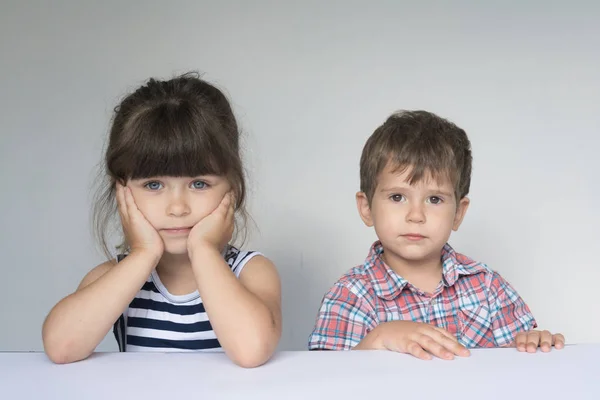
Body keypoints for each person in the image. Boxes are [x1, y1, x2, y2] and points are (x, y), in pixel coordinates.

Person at [42, 73, 282, 367]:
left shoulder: (251, 272)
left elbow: (251, 351)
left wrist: (204, 250)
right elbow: (61, 347)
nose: (178, 208)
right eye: (153, 185)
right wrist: (143, 254)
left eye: (199, 184)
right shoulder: (116, 276)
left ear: (231, 188)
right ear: (121, 190)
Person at [309, 110, 564, 360]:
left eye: (434, 199)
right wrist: (377, 338)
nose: (416, 215)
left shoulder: (487, 287)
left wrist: (531, 343)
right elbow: (324, 380)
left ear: (458, 213)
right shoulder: (350, 295)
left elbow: (521, 368)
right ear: (366, 208)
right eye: (397, 197)